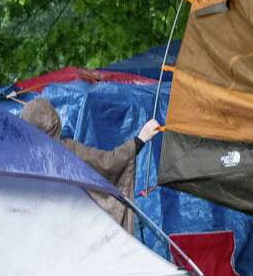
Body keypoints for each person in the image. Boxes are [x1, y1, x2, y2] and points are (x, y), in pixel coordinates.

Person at [20, 97, 161, 233]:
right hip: (74, 233)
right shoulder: (67, 151)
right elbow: (109, 163)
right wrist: (141, 139)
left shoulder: (18, 163)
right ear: (54, 121)